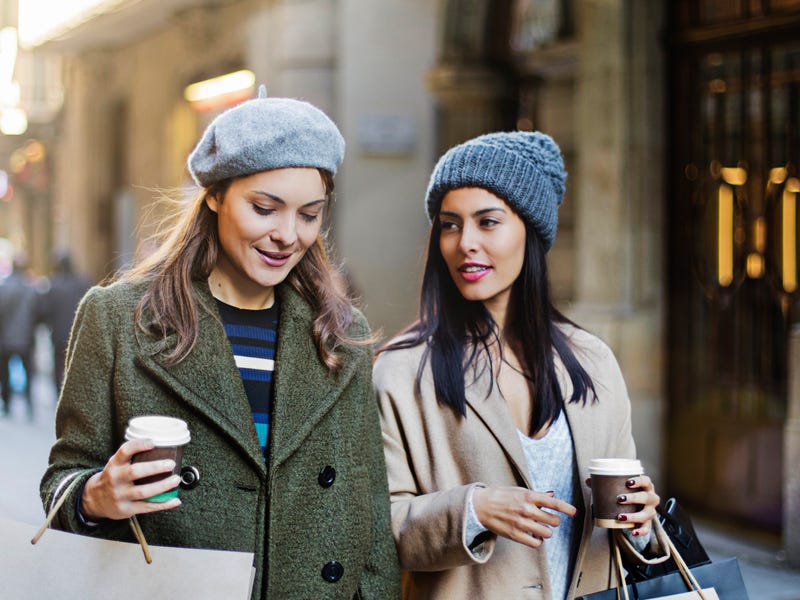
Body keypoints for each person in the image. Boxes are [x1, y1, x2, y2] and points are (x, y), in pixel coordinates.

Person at [41, 86, 400, 599]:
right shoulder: (119, 319)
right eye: (264, 208)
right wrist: (93, 497)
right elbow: (62, 478)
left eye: (308, 214)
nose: (287, 235)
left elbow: (368, 519)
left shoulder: (342, 336)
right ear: (214, 195)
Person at [373, 131, 667, 599]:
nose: (465, 242)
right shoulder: (401, 372)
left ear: (530, 231)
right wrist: (474, 510)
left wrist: (641, 523)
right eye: (450, 225)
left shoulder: (592, 362)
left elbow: (625, 532)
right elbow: (375, 529)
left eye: (487, 222)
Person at [39, 251, 92, 392]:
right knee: (78, 364)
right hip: (80, 332)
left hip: (59, 334)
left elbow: (44, 311)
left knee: (58, 365)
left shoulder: (53, 286)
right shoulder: (83, 283)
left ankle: (60, 393)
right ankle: (76, 392)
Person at [0, 252, 40, 418]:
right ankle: (29, 402)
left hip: (5, 337)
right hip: (26, 337)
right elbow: (38, 313)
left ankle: (7, 403)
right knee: (27, 370)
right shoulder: (31, 288)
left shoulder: (3, 287)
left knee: (5, 371)